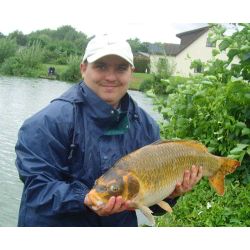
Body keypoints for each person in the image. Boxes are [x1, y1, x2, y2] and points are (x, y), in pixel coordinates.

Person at [15, 34, 203, 227]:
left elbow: (151, 204)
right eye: (101, 66)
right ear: (83, 68)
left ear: (132, 72)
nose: (111, 77)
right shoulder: (46, 123)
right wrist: (84, 199)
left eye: (121, 68)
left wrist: (171, 193)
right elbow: (37, 191)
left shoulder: (146, 126)